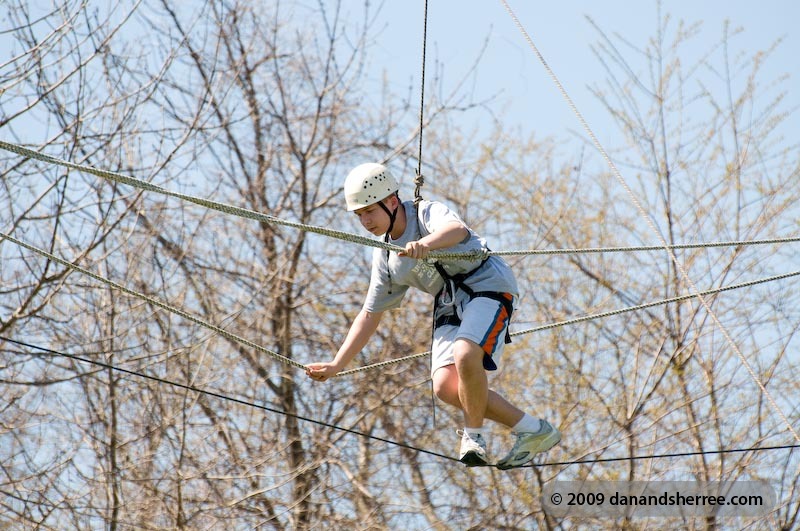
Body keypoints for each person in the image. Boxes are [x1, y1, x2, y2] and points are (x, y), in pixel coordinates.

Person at [306, 162, 560, 468]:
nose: (365, 221)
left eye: (369, 211)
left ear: (391, 201)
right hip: (449, 303)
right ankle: (533, 430)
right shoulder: (385, 255)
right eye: (359, 215)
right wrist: (336, 365)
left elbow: (458, 230)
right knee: (445, 386)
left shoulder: (425, 213)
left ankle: (474, 436)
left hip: (487, 285)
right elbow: (370, 314)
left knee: (466, 353)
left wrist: (424, 244)